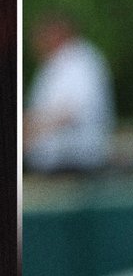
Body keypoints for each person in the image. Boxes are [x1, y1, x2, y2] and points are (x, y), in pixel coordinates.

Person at [23, 11, 115, 175]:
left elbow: (72, 111)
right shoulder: (56, 62)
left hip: (73, 165)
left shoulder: (80, 60)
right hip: (55, 164)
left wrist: (28, 133)